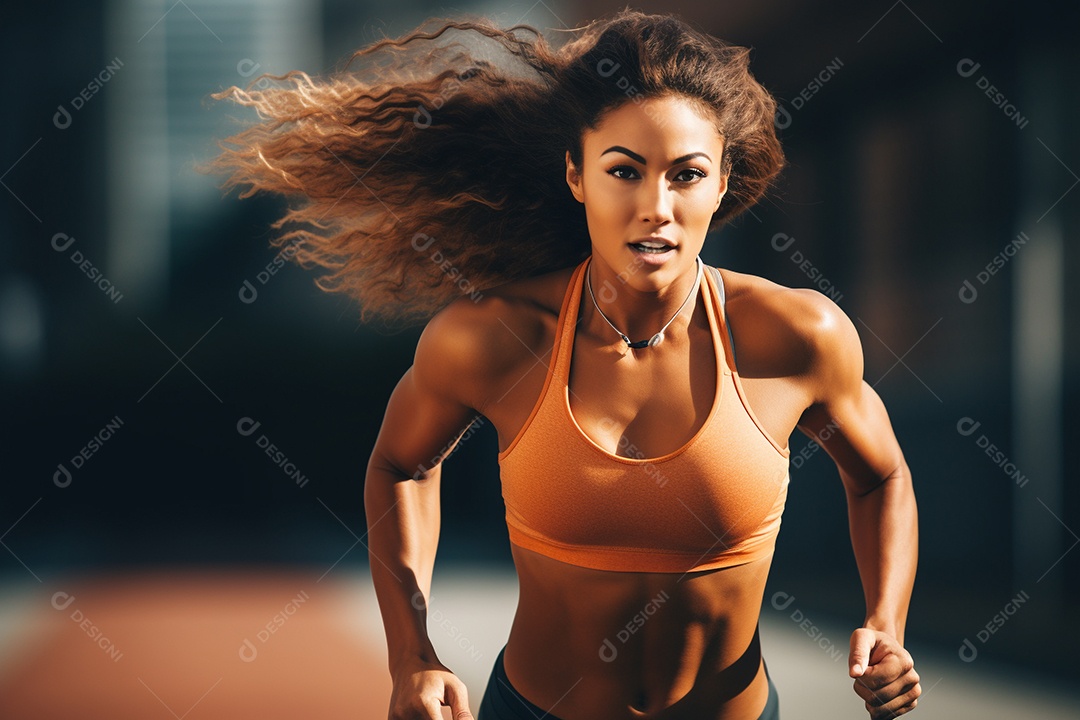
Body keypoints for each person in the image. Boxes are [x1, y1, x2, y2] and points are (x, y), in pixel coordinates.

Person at [199, 8, 920, 719]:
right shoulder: (494, 339)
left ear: (724, 182)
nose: (655, 207)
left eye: (687, 175)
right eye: (625, 171)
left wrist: (886, 623)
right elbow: (400, 466)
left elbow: (881, 475)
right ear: (576, 174)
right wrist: (411, 656)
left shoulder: (796, 336)